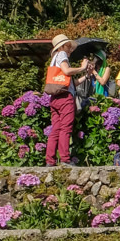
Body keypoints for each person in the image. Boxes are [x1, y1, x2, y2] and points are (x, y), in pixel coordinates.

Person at [44, 34, 88, 166]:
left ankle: (50, 160)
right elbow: (67, 71)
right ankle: (65, 159)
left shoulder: (54, 59)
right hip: (65, 98)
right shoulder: (61, 54)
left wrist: (86, 76)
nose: (70, 49)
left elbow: (70, 82)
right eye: (68, 46)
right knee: (65, 128)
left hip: (55, 96)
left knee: (56, 129)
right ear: (61, 46)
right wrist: (82, 67)